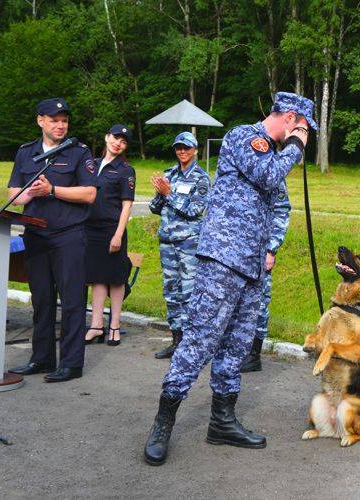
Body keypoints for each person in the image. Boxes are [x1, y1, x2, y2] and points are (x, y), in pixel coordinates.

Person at [143, 92, 313, 466]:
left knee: (236, 346)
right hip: (222, 257)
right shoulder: (244, 137)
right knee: (201, 338)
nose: (304, 136)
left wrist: (270, 248)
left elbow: (274, 201)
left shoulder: (267, 150)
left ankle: (221, 420)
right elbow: (269, 176)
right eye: (302, 127)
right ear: (289, 118)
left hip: (251, 264)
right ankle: (163, 422)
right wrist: (297, 145)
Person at [6, 97, 98, 382]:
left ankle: (71, 364)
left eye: (64, 121)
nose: (61, 125)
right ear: (40, 121)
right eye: (54, 120)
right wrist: (30, 193)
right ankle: (42, 359)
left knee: (71, 301)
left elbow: (89, 194)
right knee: (42, 300)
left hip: (68, 236)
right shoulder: (26, 152)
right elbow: (13, 195)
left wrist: (52, 190)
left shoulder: (79, 152)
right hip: (36, 236)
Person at [149, 132, 210, 359]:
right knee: (171, 292)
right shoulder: (170, 174)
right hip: (167, 241)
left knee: (189, 292)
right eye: (178, 148)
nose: (182, 152)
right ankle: (176, 340)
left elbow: (194, 211)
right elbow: (155, 208)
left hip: (188, 243)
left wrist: (169, 193)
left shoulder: (201, 178)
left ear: (195, 150)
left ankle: (192, 344)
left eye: (186, 148)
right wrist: (159, 193)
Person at [84, 125, 136, 347]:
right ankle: (96, 325)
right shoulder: (90, 165)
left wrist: (118, 234)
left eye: (123, 141)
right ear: (106, 137)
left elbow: (127, 205)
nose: (118, 143)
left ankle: (114, 324)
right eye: (115, 138)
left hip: (112, 230)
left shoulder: (125, 170)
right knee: (97, 277)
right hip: (90, 229)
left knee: (115, 278)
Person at [240, 181, 291, 372]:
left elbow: (281, 211)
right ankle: (239, 351)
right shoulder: (238, 166)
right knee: (237, 305)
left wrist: (271, 249)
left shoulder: (271, 172)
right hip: (235, 249)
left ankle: (254, 355)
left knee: (259, 303)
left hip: (260, 250)